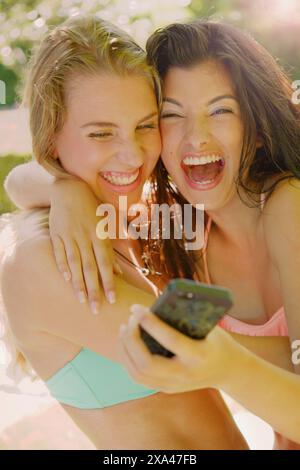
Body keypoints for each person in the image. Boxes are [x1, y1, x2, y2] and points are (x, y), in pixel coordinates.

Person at [6, 19, 300, 450]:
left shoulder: (258, 209)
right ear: (50, 139)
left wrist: (63, 186)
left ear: (256, 127)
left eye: (145, 126)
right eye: (170, 117)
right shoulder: (67, 253)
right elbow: (19, 179)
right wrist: (60, 184)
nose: (131, 153)